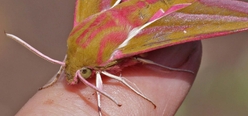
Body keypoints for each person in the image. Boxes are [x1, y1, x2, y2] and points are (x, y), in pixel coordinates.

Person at [16, 41, 201, 115]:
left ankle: (167, 67)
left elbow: (120, 79)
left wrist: (100, 110)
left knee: (136, 60)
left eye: (85, 73)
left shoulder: (102, 66)